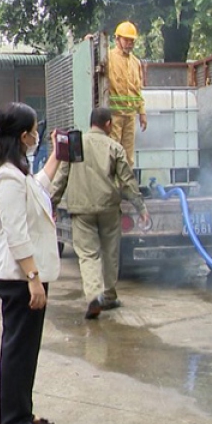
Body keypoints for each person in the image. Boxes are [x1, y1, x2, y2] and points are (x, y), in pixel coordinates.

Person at [0, 103, 61, 424]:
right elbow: (16, 232)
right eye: (34, 131)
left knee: (26, 350)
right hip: (18, 276)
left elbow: (38, 189)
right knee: (18, 350)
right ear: (23, 136)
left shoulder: (18, 172)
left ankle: (23, 410)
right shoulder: (5, 176)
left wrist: (57, 157)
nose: (36, 136)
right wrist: (33, 278)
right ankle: (14, 423)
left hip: (26, 274)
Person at [50, 107, 150, 319]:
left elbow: (61, 177)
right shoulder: (115, 147)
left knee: (88, 254)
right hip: (108, 208)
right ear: (107, 124)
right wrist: (141, 208)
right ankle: (110, 295)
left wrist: (51, 205)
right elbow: (127, 181)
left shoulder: (75, 144)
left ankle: (94, 295)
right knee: (109, 253)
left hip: (81, 209)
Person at [106, 21, 147, 166]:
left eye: (132, 40)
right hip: (115, 114)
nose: (130, 43)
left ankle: (126, 186)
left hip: (130, 116)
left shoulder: (136, 63)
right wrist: (88, 42)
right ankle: (112, 185)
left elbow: (137, 90)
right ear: (117, 39)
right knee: (113, 152)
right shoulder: (108, 57)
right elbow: (91, 59)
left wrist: (142, 113)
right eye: (126, 39)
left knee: (128, 157)